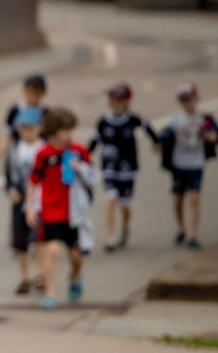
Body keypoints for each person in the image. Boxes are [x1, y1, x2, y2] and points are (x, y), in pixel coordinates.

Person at [26, 107, 93, 309]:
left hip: (73, 213)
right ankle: (50, 292)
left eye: (71, 130)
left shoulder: (79, 151)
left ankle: (74, 277)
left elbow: (93, 175)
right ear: (55, 131)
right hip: (51, 210)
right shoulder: (44, 154)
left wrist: (80, 168)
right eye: (66, 131)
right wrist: (30, 207)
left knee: (76, 257)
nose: (69, 135)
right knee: (52, 250)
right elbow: (33, 181)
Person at [88, 83, 159, 252]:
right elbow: (94, 141)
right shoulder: (103, 121)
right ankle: (110, 237)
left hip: (127, 167)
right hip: (109, 166)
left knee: (125, 204)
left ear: (126, 101)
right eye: (111, 98)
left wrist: (157, 143)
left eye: (117, 99)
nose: (112, 102)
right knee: (110, 198)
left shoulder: (132, 119)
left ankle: (125, 229)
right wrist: (85, 156)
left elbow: (148, 128)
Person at [161, 82, 217, 249]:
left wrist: (211, 137)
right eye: (183, 99)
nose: (186, 103)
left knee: (194, 198)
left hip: (196, 164)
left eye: (189, 99)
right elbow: (164, 138)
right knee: (178, 198)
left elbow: (214, 134)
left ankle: (193, 234)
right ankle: (181, 228)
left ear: (196, 98)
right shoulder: (176, 120)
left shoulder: (204, 120)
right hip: (179, 164)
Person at [5, 106, 46, 294]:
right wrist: (11, 189)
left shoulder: (44, 149)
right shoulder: (15, 149)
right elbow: (8, 176)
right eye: (22, 127)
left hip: (41, 201)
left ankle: (40, 274)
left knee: (39, 239)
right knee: (20, 242)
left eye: (30, 127)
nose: (26, 131)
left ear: (39, 127)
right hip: (20, 202)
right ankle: (24, 278)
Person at [5, 73, 49, 140]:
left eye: (37, 93)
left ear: (43, 93)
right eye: (31, 92)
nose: (33, 96)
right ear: (24, 90)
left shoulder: (46, 112)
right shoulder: (15, 110)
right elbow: (8, 135)